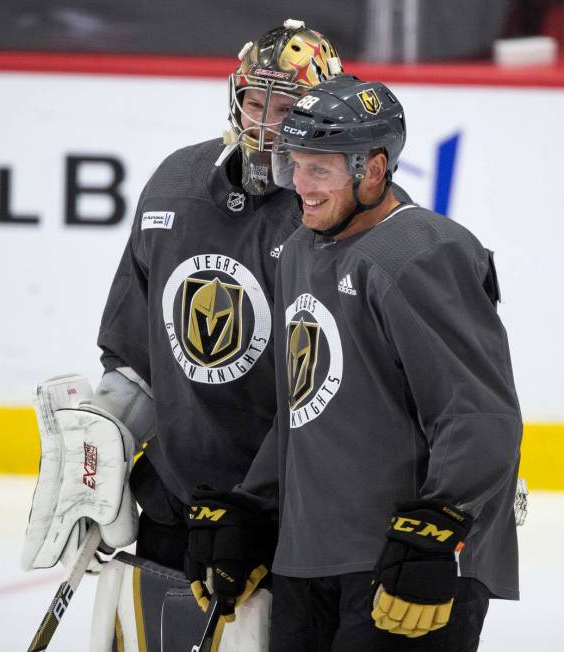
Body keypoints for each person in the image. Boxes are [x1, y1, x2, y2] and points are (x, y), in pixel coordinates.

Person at [187, 75, 522, 650]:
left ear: (372, 169)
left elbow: (479, 413)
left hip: (402, 566)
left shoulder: (420, 252)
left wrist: (438, 530)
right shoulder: (298, 251)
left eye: (321, 169)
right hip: (308, 561)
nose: (301, 186)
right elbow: (306, 406)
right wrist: (254, 506)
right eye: (295, 165)